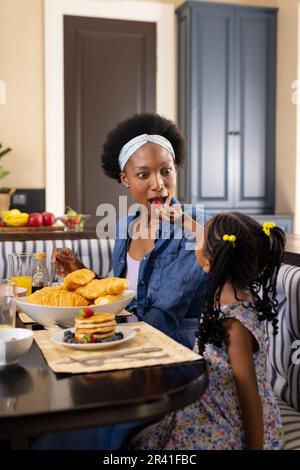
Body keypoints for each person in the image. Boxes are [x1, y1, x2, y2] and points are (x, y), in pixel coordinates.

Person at [53, 113, 210, 349]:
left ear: (176, 169)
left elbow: (165, 314)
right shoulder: (125, 226)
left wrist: (110, 343)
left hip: (177, 352)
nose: (158, 183)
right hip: (131, 340)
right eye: (143, 174)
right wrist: (83, 274)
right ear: (125, 179)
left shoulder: (196, 226)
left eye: (166, 171)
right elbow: (124, 296)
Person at [131, 213, 285, 450]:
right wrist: (184, 220)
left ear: (210, 262)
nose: (197, 238)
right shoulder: (231, 289)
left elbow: (248, 393)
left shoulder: (233, 320)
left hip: (231, 418)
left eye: (201, 237)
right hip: (214, 396)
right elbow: (215, 245)